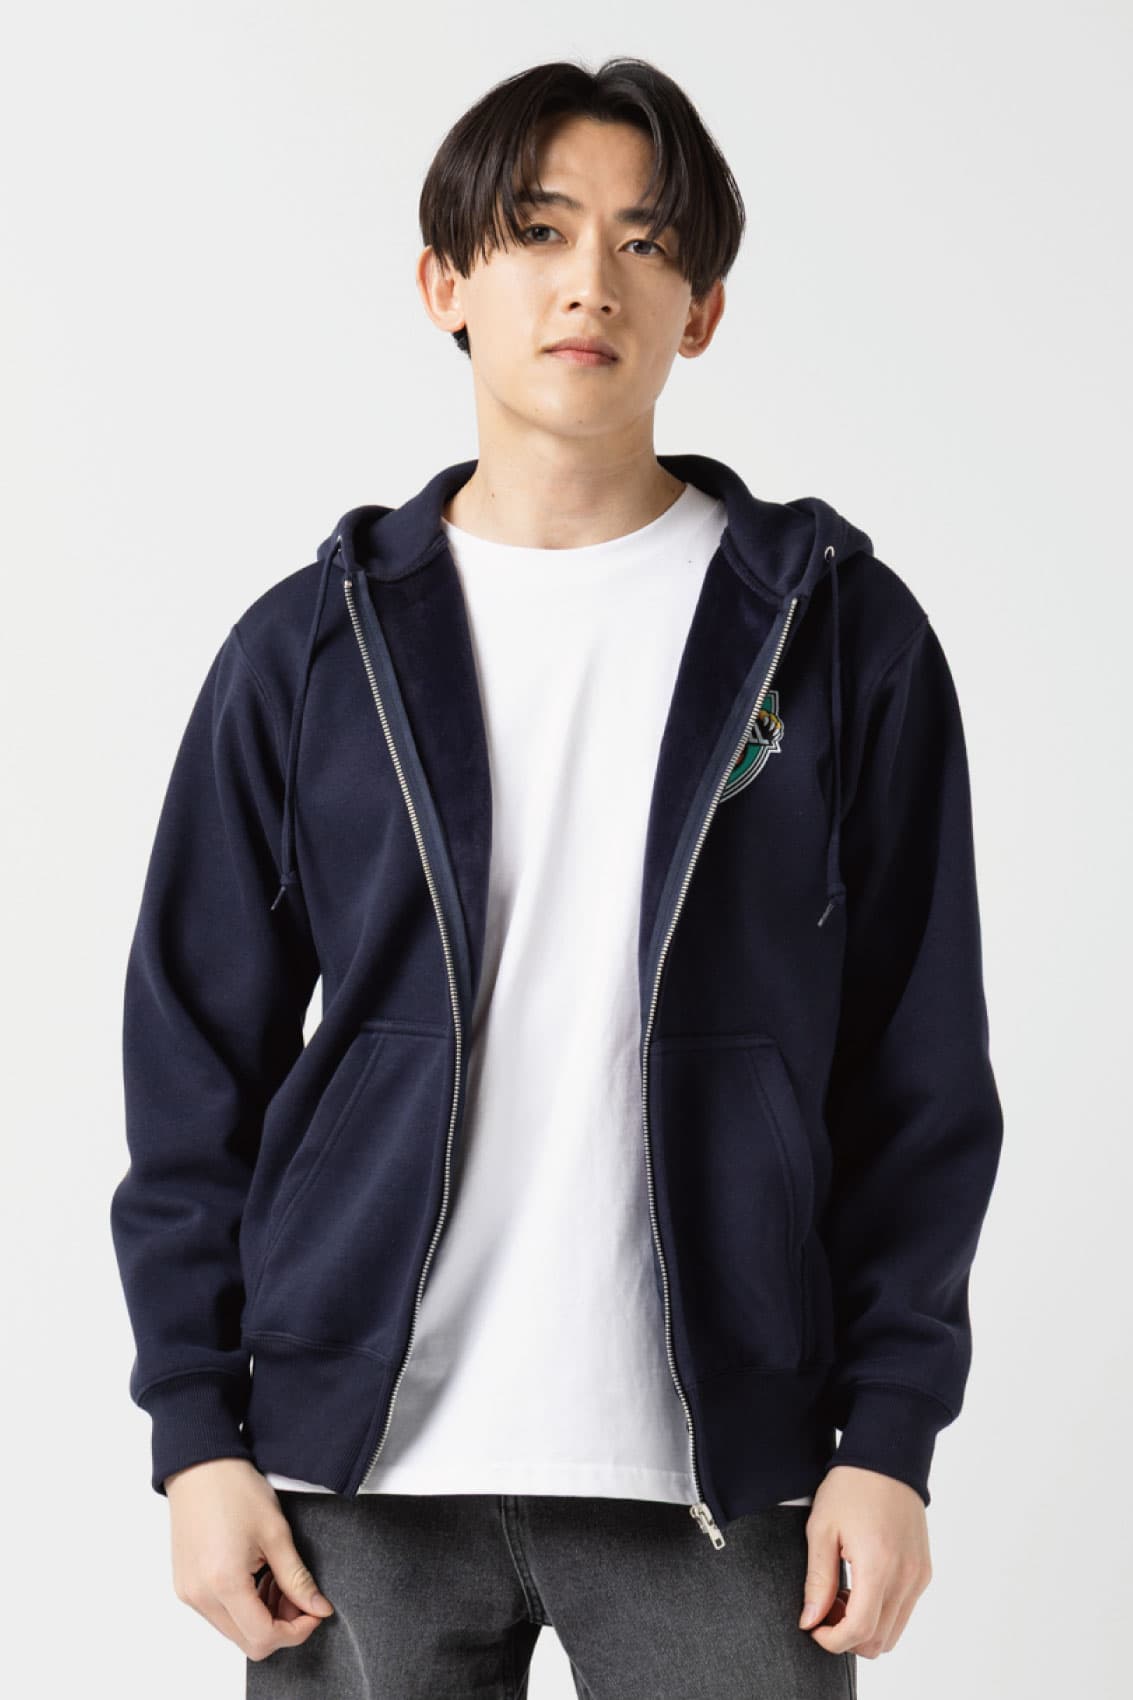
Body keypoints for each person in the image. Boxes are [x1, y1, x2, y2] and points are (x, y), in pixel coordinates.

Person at [109, 55, 1004, 1698]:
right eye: (537, 230)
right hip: (350, 1471)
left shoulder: (832, 636)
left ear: (701, 310)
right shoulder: (309, 651)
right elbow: (191, 1064)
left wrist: (888, 1437)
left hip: (724, 1471)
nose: (592, 278)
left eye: (647, 243)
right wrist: (194, 1434)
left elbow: (920, 1071)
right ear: (443, 282)